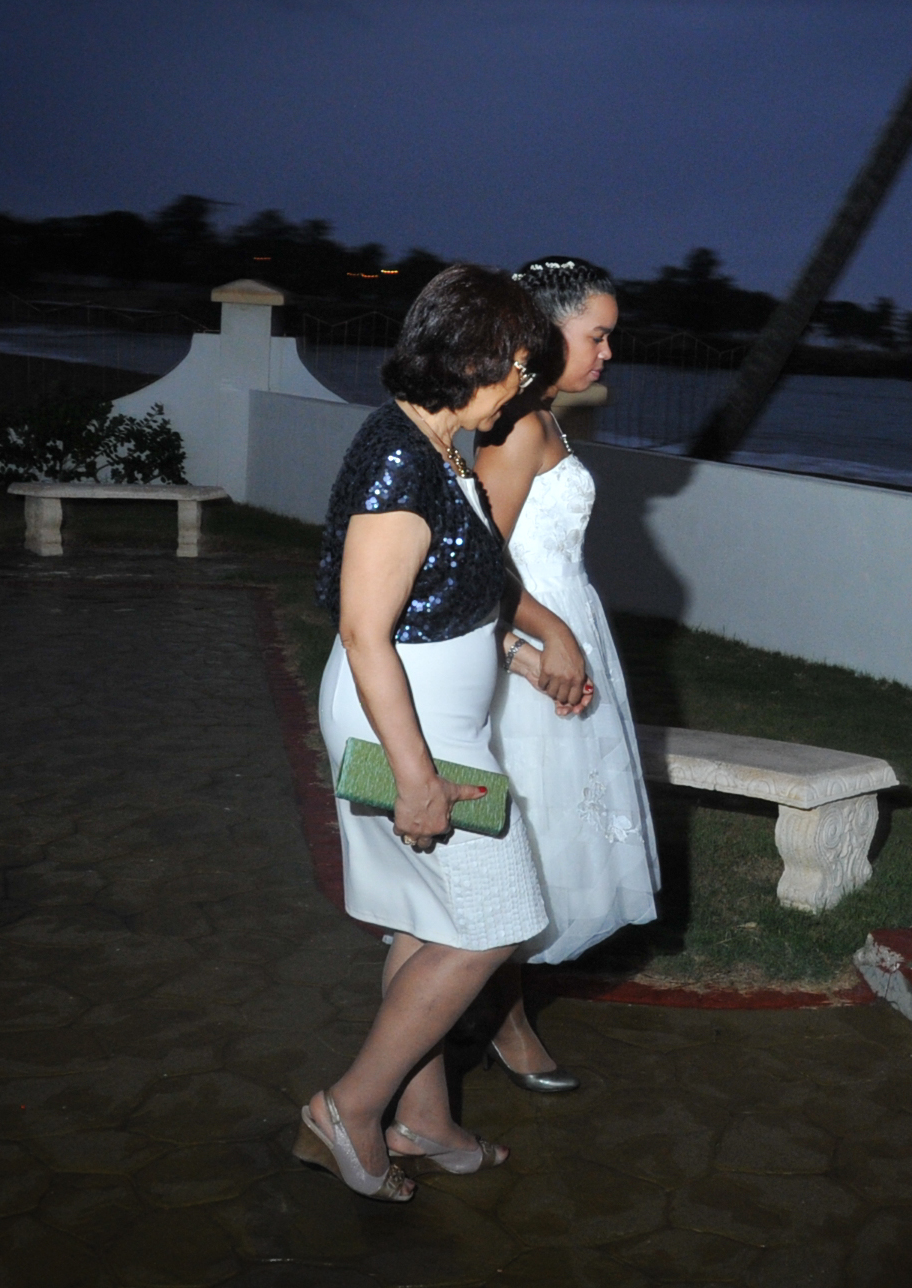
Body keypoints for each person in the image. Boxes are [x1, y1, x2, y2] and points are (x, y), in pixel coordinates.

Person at [299, 263, 591, 1201]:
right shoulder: (400, 457)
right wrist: (416, 777)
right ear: (482, 360)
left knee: (430, 922)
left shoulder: (440, 447)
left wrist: (518, 654)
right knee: (496, 922)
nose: (525, 389)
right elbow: (365, 631)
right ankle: (351, 1107)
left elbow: (439, 598)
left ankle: (423, 1123)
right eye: (521, 370)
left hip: (433, 712)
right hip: (407, 726)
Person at [472, 255, 661, 1092]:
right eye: (598, 335)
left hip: (566, 640)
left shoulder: (542, 414)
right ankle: (499, 1020)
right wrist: (535, 651)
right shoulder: (515, 427)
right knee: (519, 842)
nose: (609, 353)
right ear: (546, 333)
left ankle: (497, 1010)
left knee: (545, 842)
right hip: (526, 658)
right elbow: (474, 565)